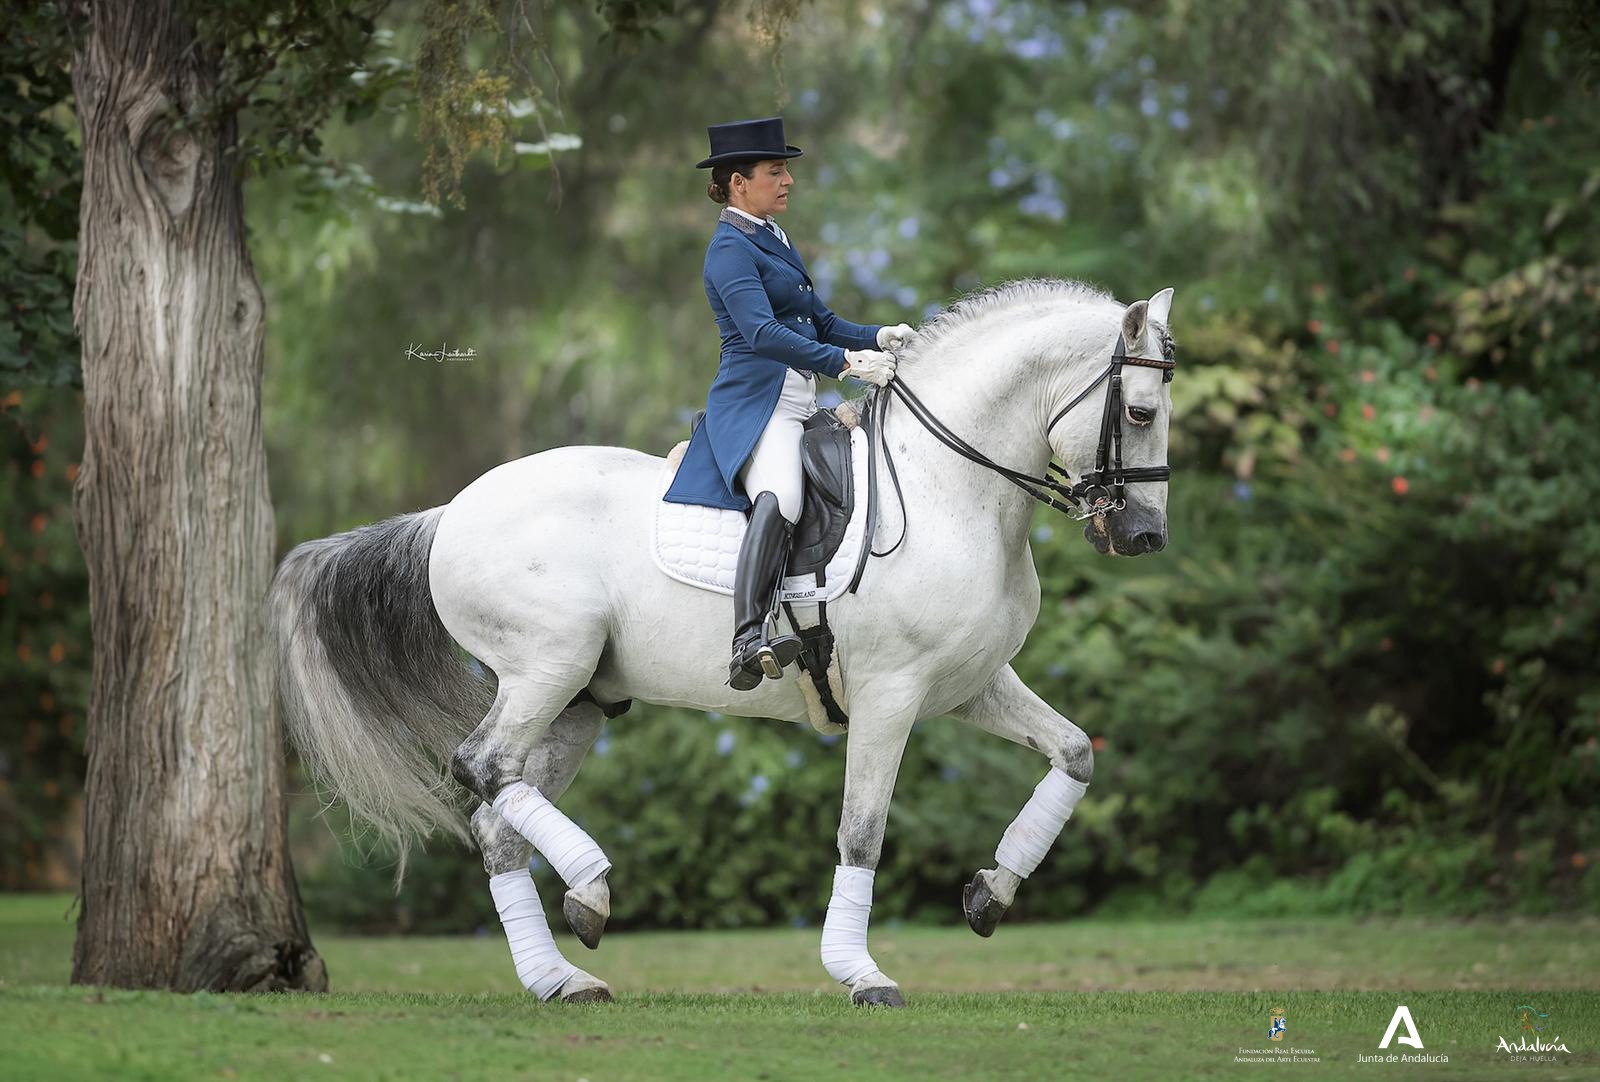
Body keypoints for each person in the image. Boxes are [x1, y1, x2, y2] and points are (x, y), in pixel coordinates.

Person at [662, 116, 915, 691]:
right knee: (784, 496)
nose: (788, 181)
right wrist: (846, 364)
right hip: (758, 407)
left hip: (799, 402)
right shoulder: (728, 250)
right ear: (736, 182)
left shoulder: (771, 237)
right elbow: (762, 334)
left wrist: (877, 336)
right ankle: (747, 637)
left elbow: (818, 321)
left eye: (785, 171)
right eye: (775, 171)